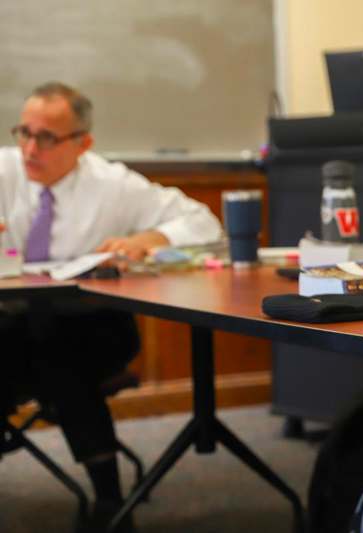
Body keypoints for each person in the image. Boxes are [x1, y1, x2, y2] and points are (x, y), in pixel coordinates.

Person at [0, 82, 222, 532]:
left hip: (94, 324)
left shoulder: (113, 184)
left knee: (59, 354)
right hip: (16, 322)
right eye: (24, 133)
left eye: (46, 138)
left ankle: (109, 500)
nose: (30, 149)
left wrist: (149, 238)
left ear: (83, 144)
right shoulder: (6, 170)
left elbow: (203, 221)